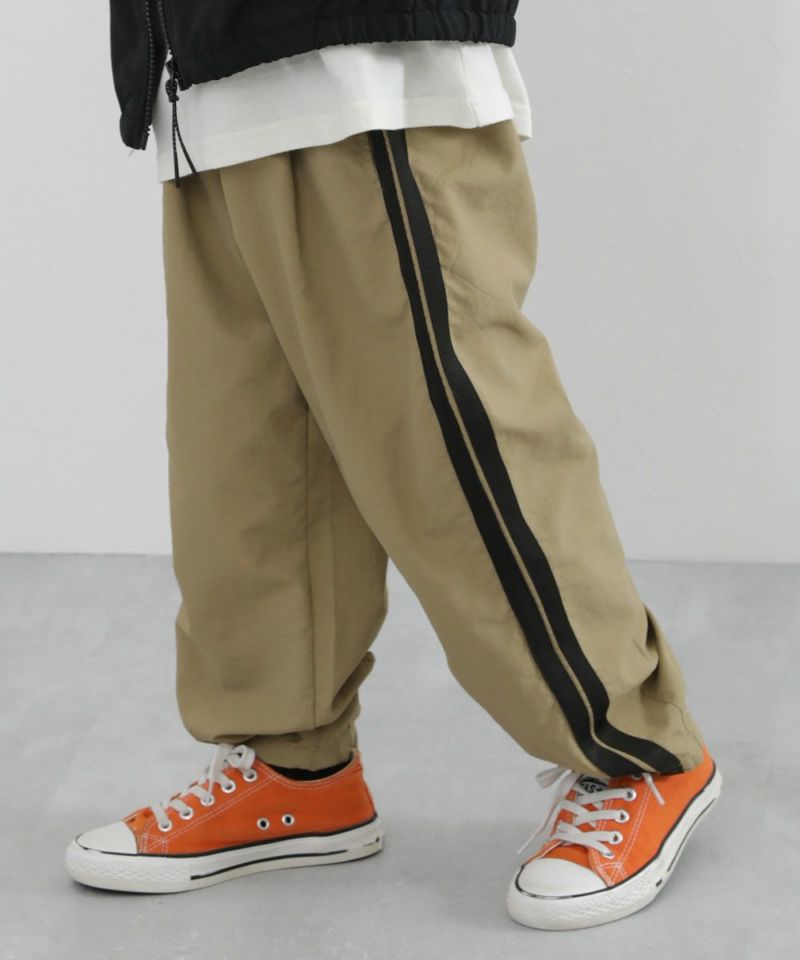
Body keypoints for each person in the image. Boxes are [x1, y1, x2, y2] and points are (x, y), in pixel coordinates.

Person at [65, 1, 721, 931]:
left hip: (362, 55)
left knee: (452, 436)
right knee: (245, 461)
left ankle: (639, 752)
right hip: (207, 70)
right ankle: (298, 769)